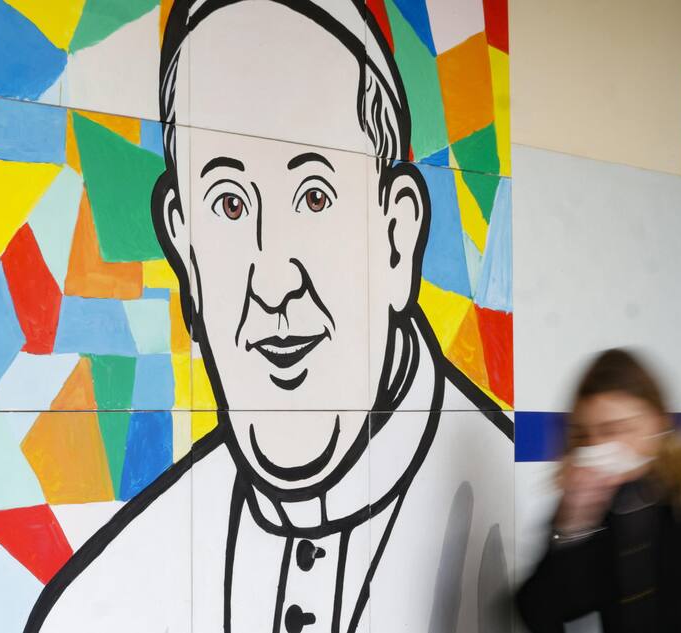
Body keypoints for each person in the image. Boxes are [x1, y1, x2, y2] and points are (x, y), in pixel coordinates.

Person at [25, 1, 514, 632]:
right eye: (228, 204)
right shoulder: (98, 603)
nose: (272, 280)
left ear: (396, 235)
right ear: (183, 246)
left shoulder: (505, 540)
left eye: (314, 196)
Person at [516, 349, 681, 632]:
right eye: (584, 435)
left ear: (657, 423)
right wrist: (572, 526)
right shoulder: (590, 510)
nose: (597, 446)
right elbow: (540, 611)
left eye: (614, 429)